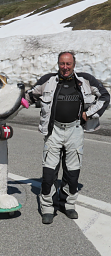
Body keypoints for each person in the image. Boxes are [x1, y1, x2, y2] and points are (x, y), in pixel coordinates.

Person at [25, 52, 110, 224]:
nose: (65, 67)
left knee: (72, 174)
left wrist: (89, 113)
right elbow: (28, 97)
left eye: (68, 64)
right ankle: (48, 208)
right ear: (58, 64)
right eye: (62, 64)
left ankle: (68, 205)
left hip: (75, 131)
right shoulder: (47, 80)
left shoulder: (85, 80)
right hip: (53, 131)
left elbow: (105, 97)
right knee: (48, 174)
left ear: (73, 64)